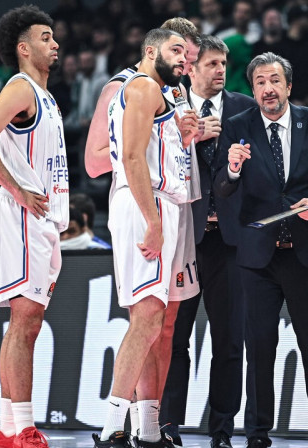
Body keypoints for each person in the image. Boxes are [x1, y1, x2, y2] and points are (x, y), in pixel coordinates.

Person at [214, 51, 308, 448]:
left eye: (274, 80)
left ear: (289, 85)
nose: (268, 89)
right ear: (252, 90)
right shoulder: (236, 126)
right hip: (257, 259)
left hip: (306, 255)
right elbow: (222, 187)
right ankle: (257, 434)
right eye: (259, 82)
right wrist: (233, 168)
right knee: (259, 351)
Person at [85, 19, 202, 440]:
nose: (184, 60)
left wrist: (186, 134)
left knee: (156, 320)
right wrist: (152, 221)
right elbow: (132, 159)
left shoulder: (164, 93)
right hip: (145, 204)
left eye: (187, 56)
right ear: (151, 51)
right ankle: (112, 427)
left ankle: (149, 430)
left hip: (163, 202)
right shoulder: (140, 86)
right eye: (176, 52)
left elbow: (156, 149)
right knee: (148, 317)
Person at [0, 5, 68, 448]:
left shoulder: (45, 96)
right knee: (26, 321)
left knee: (25, 323)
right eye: (45, 37)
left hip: (42, 218)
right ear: (24, 48)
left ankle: (7, 430)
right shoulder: (21, 88)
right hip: (21, 213)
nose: (55, 43)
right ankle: (23, 427)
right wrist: (18, 190)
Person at [160, 34, 254, 448]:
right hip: (184, 238)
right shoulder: (169, 108)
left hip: (230, 240)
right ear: (192, 68)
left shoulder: (245, 109)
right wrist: (192, 138)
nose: (220, 71)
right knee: (175, 337)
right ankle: (167, 424)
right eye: (211, 64)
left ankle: (222, 429)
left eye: (223, 63)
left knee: (229, 340)